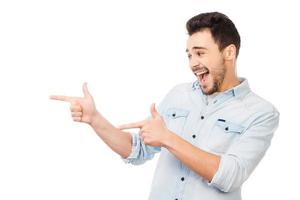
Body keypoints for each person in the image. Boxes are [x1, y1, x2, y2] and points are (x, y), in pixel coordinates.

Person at [50, 12, 279, 200]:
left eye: (200, 53)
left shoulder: (261, 113)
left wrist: (168, 138)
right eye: (189, 55)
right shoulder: (179, 94)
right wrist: (94, 118)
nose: (193, 63)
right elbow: (139, 149)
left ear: (229, 52)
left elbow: (231, 176)